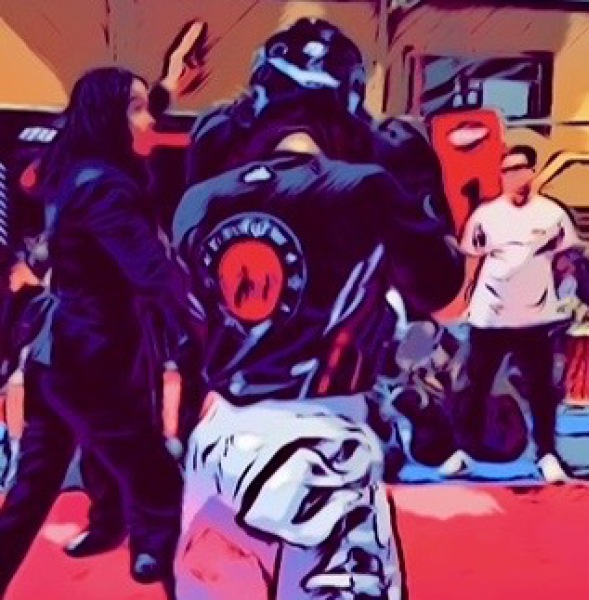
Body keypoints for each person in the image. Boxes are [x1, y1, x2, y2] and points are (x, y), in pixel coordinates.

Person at [171, 22, 464, 599]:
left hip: (220, 440)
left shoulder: (198, 200)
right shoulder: (368, 188)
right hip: (323, 439)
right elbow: (444, 295)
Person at [0, 67, 197, 598]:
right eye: (137, 108)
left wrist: (167, 87)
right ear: (110, 119)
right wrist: (211, 320)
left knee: (32, 491)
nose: (150, 120)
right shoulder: (105, 187)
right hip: (91, 360)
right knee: (160, 483)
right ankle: (160, 562)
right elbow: (153, 272)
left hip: (61, 356)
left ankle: (121, 531)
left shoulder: (76, 167)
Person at [440, 144, 582, 483]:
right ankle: (464, 451)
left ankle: (547, 454)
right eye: (506, 171)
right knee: (475, 386)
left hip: (536, 316)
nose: (511, 176)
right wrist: (463, 302)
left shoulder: (552, 214)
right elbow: (472, 260)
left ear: (531, 171)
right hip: (490, 315)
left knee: (541, 389)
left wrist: (568, 296)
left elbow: (566, 259)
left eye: (518, 169)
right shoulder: (487, 215)